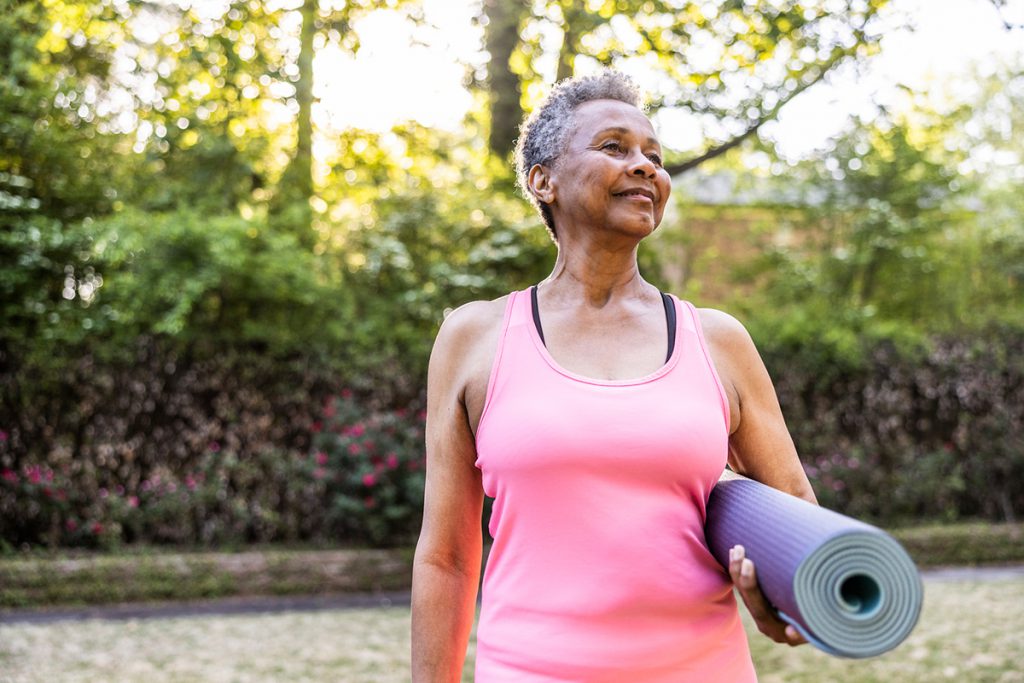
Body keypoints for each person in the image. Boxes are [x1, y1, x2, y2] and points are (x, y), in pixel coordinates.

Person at [411, 70, 818, 682]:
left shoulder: (718, 341)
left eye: (654, 157)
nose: (645, 167)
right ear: (541, 180)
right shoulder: (475, 340)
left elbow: (795, 512)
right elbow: (445, 558)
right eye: (614, 148)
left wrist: (785, 591)